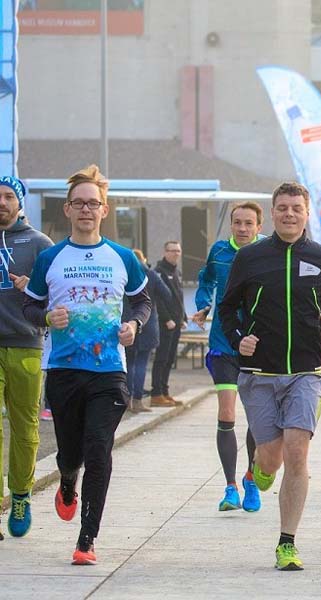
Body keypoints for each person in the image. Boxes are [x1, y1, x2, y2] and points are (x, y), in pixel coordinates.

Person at [218, 182, 321, 570]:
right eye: (282, 208)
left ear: (307, 213)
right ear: (272, 213)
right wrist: (238, 339)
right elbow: (227, 309)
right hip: (259, 373)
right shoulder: (251, 257)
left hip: (306, 374)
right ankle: (260, 468)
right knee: (272, 458)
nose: (289, 214)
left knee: (297, 451)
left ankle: (287, 543)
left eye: (296, 208)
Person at [23, 165, 151, 564]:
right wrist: (46, 318)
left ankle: (87, 538)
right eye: (78, 203)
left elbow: (143, 301)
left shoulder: (123, 257)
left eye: (92, 203)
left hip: (109, 371)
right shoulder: (50, 258)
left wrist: (134, 323)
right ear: (67, 210)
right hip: (63, 370)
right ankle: (65, 480)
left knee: (99, 449)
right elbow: (29, 305)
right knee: (70, 453)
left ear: (104, 210)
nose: (86, 210)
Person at [191, 202, 265, 512]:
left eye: (249, 223)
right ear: (231, 225)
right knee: (227, 413)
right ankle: (230, 486)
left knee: (256, 417)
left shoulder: (267, 252)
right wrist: (203, 304)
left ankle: (251, 478)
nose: (243, 228)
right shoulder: (219, 252)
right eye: (238, 223)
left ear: (259, 226)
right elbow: (207, 280)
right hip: (223, 341)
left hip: (257, 343)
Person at [0, 175, 52, 538]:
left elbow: (58, 298)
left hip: (26, 344)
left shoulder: (39, 244)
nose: (1, 202)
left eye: (7, 196)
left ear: (19, 203)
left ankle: (20, 495)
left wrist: (32, 289)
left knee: (25, 428)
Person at [124, 248, 170, 413]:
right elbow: (167, 294)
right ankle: (137, 401)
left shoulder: (124, 273)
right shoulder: (151, 275)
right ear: (143, 259)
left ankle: (127, 400)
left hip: (127, 324)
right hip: (148, 323)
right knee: (142, 363)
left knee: (128, 363)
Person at [150, 240, 186, 407]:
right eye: (172, 251)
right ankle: (156, 392)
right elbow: (158, 299)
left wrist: (183, 317)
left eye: (178, 251)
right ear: (165, 252)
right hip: (166, 323)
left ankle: (165, 391)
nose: (175, 254)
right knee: (162, 358)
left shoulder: (176, 272)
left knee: (170, 358)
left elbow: (179, 297)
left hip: (177, 322)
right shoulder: (159, 272)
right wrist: (167, 319)